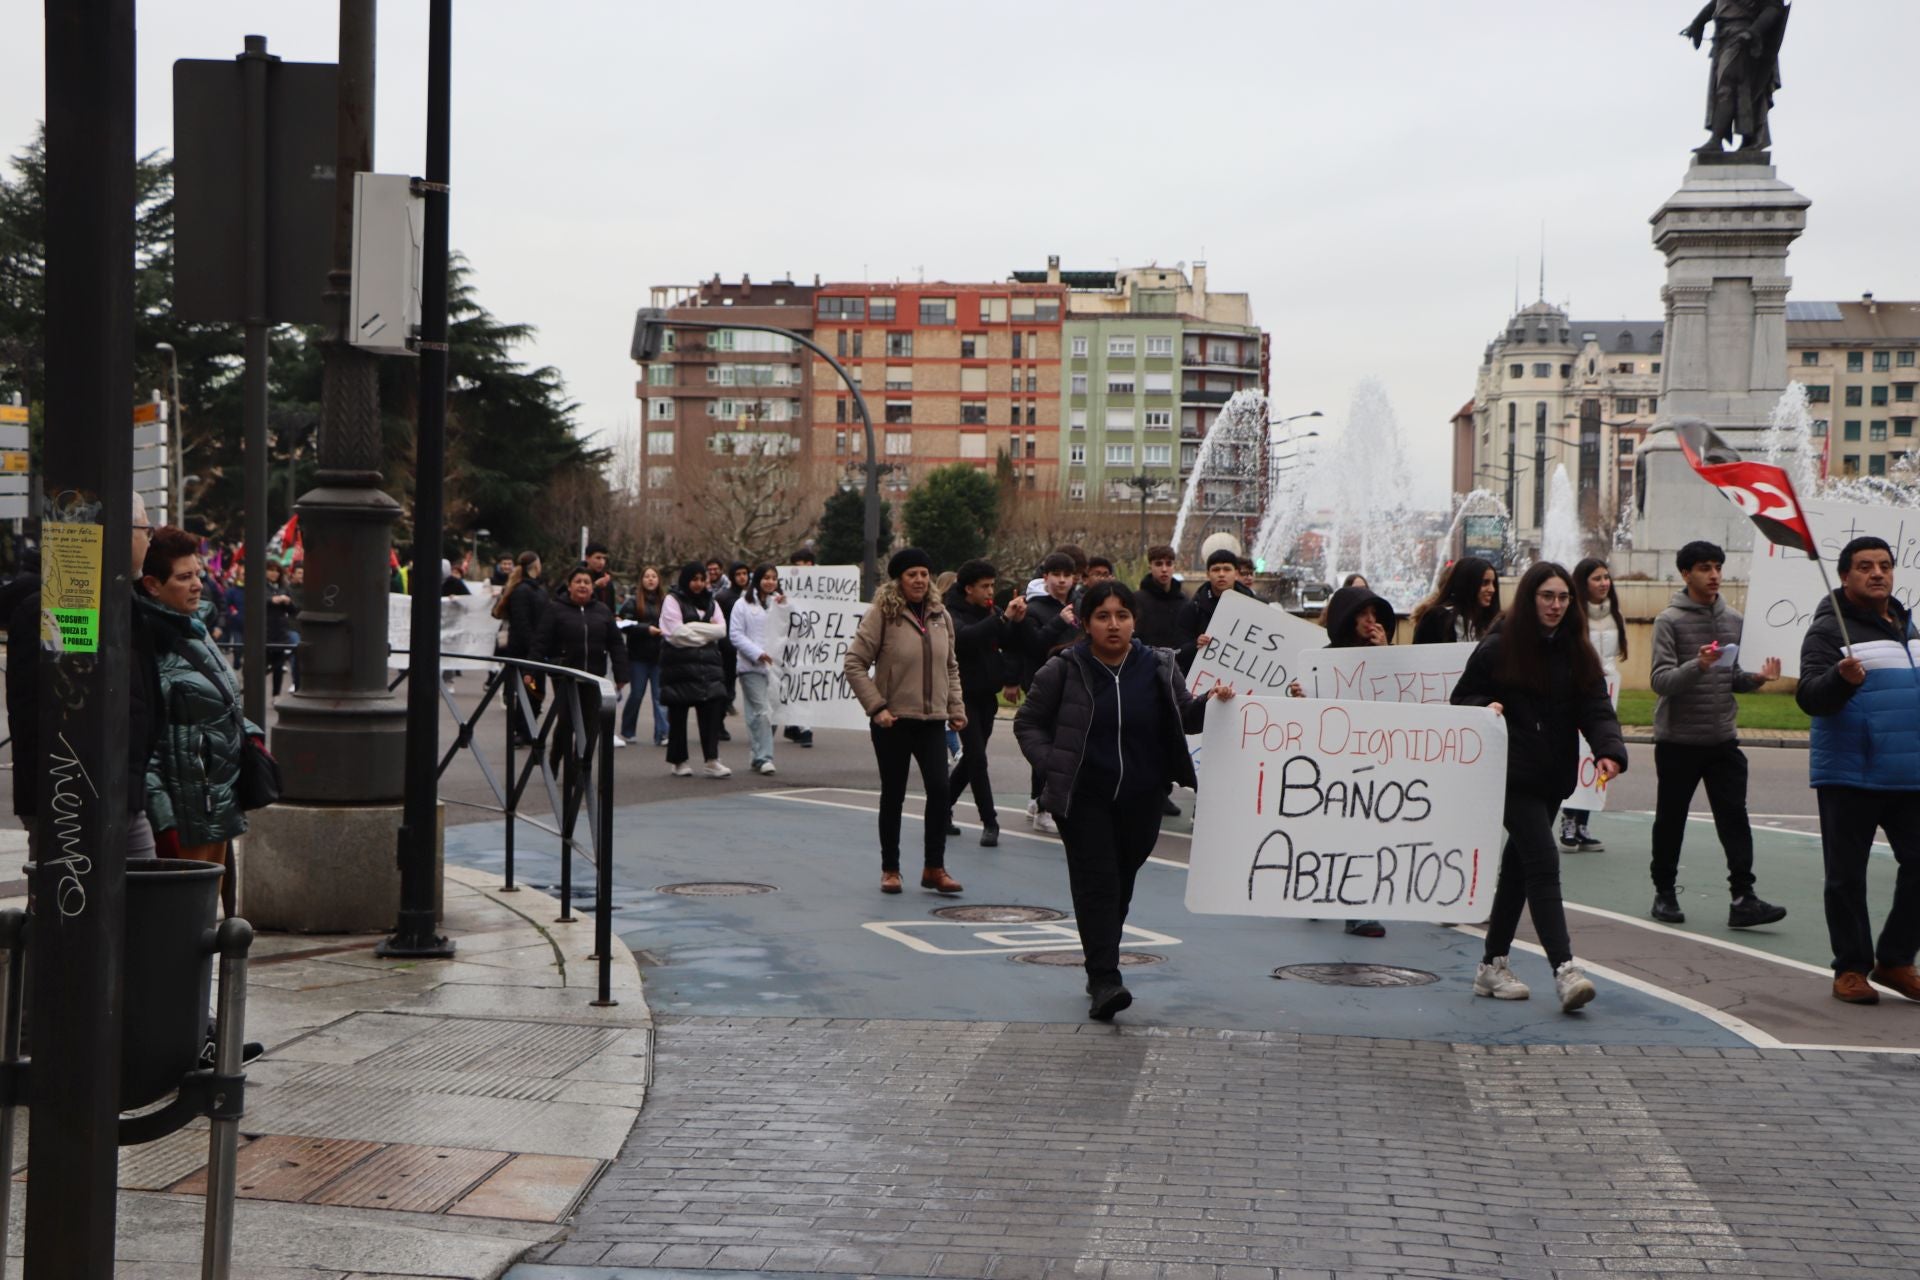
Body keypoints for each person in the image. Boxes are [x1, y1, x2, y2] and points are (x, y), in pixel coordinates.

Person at [1015, 580, 1237, 1020]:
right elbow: (1028, 723)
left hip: (1143, 795)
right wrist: (1055, 763)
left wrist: (1212, 702)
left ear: (1134, 621)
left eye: (1122, 615)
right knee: (1098, 882)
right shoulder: (1064, 668)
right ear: (1085, 622)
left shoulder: (1157, 665)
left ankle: (1101, 955)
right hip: (1083, 798)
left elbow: (1184, 715)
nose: (1113, 625)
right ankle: (1105, 979)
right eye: (1102, 616)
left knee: (1122, 881)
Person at [1452, 561, 1627, 1013]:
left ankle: (1492, 965)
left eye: (1563, 598)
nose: (1555, 605)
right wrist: (1484, 706)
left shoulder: (1576, 652)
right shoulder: (1499, 648)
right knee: (1543, 862)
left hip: (1551, 777)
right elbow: (1460, 698)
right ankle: (1565, 969)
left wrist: (1609, 750)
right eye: (1547, 596)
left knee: (1518, 869)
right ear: (1530, 599)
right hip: (1509, 775)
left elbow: (1596, 708)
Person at [1795, 537, 1920, 1005]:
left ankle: (1895, 960)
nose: (1877, 574)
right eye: (1865, 566)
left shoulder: (1908, 627)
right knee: (1847, 876)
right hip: (1851, 771)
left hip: (1909, 771)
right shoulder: (1829, 631)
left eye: (1884, 566)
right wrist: (1839, 680)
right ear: (1845, 576)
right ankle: (1850, 968)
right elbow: (1810, 696)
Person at [6, 493, 163, 864]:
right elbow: (47, 708)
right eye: (146, 530)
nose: (150, 539)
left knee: (141, 897)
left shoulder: (120, 598)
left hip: (120, 789)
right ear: (123, 534)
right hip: (75, 797)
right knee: (67, 907)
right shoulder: (61, 605)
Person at [1648, 539, 1787, 929]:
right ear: (1685, 574)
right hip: (1678, 742)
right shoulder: (1668, 621)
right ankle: (1664, 893)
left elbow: (1735, 679)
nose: (1714, 576)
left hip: (1723, 740)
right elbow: (1660, 682)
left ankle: (1743, 898)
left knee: (1734, 819)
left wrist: (1757, 678)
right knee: (1671, 819)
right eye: (1705, 568)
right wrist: (1699, 665)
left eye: (1717, 568)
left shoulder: (1734, 621)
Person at [141, 525, 261, 917]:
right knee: (183, 926)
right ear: (153, 585)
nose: (197, 585)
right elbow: (147, 746)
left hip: (216, 803)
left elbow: (223, 703)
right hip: (186, 815)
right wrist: (165, 824)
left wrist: (251, 737)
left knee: (213, 924)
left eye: (198, 574)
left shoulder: (194, 628)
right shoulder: (150, 643)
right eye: (184, 577)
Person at [844, 548, 966, 895]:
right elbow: (854, 663)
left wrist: (955, 707)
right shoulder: (882, 613)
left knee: (941, 791)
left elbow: (951, 666)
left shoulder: (941, 615)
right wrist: (877, 707)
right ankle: (891, 869)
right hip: (892, 721)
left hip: (932, 721)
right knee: (894, 794)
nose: (919, 580)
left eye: (924, 574)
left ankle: (934, 867)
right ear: (899, 579)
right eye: (912, 574)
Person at [1302, 583, 1398, 939]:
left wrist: (1386, 656)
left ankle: (1358, 909)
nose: (1371, 622)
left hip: (1375, 760)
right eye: (1363, 615)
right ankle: (1317, 890)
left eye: (1375, 615)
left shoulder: (1388, 656)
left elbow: (1402, 700)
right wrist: (1301, 696)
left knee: (1366, 834)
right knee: (1334, 833)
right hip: (1333, 764)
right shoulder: (1322, 662)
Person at [945, 559, 1027, 846]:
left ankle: (942, 807)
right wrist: (1001, 620)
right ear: (969, 588)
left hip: (986, 694)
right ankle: (989, 821)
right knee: (977, 758)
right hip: (962, 694)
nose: (990, 591)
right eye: (985, 586)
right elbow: (966, 638)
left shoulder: (992, 610)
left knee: (971, 759)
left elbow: (1007, 639)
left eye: (993, 585)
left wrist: (1015, 621)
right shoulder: (952, 612)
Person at [530, 565, 630, 776]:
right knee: (566, 723)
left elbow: (616, 644)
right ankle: (555, 759)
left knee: (591, 725)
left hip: (594, 677)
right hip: (565, 676)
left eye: (586, 582)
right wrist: (530, 670)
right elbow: (541, 641)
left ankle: (579, 768)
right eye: (578, 582)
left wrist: (622, 674)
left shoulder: (602, 611)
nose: (582, 586)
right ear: (570, 586)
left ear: (592, 587)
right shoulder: (555, 609)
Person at [1560, 557, 1626, 851]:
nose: (1604, 583)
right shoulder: (1573, 617)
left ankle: (1584, 822)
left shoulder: (1615, 615)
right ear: (1583, 583)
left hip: (1607, 691)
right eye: (1597, 578)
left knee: (1598, 757)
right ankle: (1568, 820)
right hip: (1581, 691)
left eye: (1606, 578)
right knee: (1578, 758)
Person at [1019, 552, 1082, 834]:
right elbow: (1032, 645)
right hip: (1043, 684)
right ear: (1045, 577)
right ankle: (1042, 806)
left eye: (1066, 575)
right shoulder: (1035, 608)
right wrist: (1059, 621)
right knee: (1045, 746)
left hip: (1075, 683)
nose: (1061, 580)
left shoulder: (1079, 605)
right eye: (1055, 574)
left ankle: (1041, 800)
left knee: (1066, 744)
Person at [660, 562, 731, 777]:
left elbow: (721, 630)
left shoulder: (711, 601)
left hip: (708, 668)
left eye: (702, 579)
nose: (698, 584)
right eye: (694, 579)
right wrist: (706, 633)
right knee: (679, 716)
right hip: (679, 667)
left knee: (710, 714)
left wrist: (692, 628)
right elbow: (676, 634)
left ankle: (712, 760)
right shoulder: (672, 600)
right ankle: (679, 761)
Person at [728, 563, 784, 775]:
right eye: (766, 577)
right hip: (751, 666)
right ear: (757, 580)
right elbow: (735, 635)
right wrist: (758, 653)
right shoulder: (742, 605)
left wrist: (785, 607)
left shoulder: (778, 603)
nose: (770, 582)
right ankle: (765, 758)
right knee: (761, 712)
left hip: (776, 668)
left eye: (774, 578)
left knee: (770, 712)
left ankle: (757, 751)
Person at [493, 552, 548, 744]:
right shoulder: (522, 591)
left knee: (536, 692)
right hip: (525, 653)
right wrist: (534, 647)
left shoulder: (537, 589)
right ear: (535, 565)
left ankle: (526, 729)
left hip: (535, 651)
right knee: (530, 691)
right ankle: (522, 730)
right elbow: (522, 624)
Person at [1175, 548, 1254, 672]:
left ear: (1236, 573)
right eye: (1216, 569)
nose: (1221, 574)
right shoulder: (1192, 608)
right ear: (1208, 574)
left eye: (1227, 569)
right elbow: (1179, 652)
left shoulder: (1255, 605)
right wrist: (1196, 645)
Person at [618, 565, 669, 747]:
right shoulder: (632, 602)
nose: (650, 579)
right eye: (647, 576)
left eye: (653, 576)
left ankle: (662, 733)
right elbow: (622, 623)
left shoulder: (665, 602)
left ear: (658, 580)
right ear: (641, 580)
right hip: (638, 657)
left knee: (660, 696)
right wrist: (646, 629)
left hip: (659, 657)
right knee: (637, 695)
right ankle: (628, 730)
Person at [1411, 556, 1499, 645]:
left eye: (1493, 583)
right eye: (1485, 583)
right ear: (1467, 584)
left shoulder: (1493, 621)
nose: (1492, 589)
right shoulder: (1437, 618)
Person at [782, 547, 817, 748]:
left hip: (813, 644)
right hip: (792, 642)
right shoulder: (787, 585)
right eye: (797, 564)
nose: (801, 567)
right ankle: (796, 725)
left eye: (805, 563)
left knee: (805, 683)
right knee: (791, 683)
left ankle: (804, 727)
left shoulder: (825, 585)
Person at [1133, 545, 1187, 650]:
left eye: (1169, 564)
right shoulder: (1137, 600)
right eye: (1158, 564)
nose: (1164, 569)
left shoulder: (1184, 601)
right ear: (1150, 567)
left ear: (1174, 567)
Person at [262, 559, 300, 696]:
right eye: (271, 570)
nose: (274, 573)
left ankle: (276, 694)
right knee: (260, 667)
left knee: (278, 668)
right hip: (263, 632)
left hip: (280, 632)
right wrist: (272, 600)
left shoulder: (284, 588)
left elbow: (293, 610)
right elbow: (258, 600)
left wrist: (288, 602)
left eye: (276, 571)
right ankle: (255, 695)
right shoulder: (261, 586)